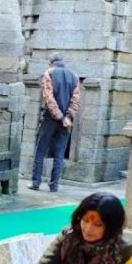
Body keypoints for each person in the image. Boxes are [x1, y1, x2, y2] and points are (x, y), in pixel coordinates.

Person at [30, 53, 80, 193]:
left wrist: (60, 117)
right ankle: (54, 185)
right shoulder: (74, 75)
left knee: (40, 151)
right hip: (66, 121)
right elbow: (75, 100)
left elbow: (49, 98)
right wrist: (68, 116)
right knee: (59, 154)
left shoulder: (49, 73)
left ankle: (36, 183)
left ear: (51, 62)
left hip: (50, 119)